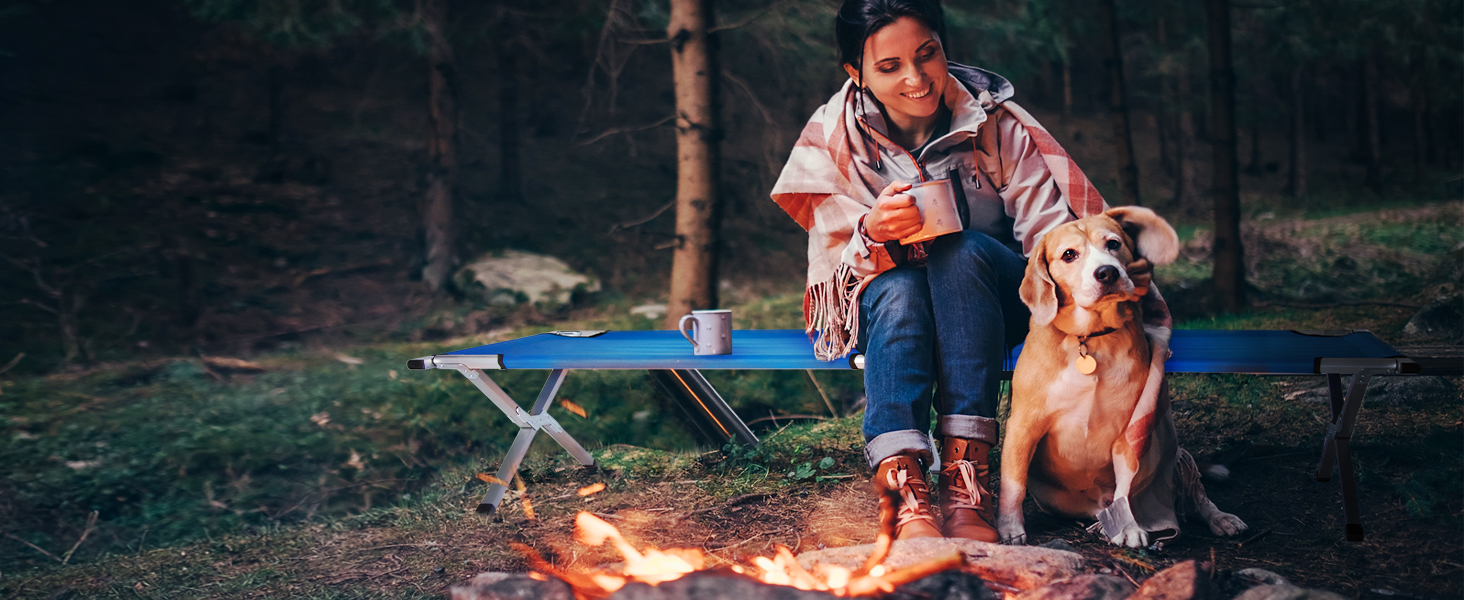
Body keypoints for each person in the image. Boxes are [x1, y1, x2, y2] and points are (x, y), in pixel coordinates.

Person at [770, 0, 1128, 542]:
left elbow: (1054, 237)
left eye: (927, 55)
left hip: (997, 303)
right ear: (856, 74)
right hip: (893, 309)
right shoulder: (833, 138)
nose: (916, 79)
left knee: (959, 252)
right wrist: (874, 230)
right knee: (901, 289)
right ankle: (905, 487)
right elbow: (838, 269)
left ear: (944, 48)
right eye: (889, 67)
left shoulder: (995, 125)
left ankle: (968, 481)